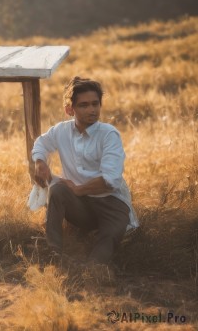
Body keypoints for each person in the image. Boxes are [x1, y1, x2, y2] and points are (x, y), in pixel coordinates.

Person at [32, 76, 139, 264]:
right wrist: (40, 163)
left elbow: (110, 180)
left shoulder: (109, 134)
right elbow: (41, 143)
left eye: (95, 104)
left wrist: (79, 189)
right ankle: (53, 256)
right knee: (57, 190)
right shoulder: (61, 131)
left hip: (112, 205)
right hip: (81, 206)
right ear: (69, 109)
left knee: (101, 255)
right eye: (84, 105)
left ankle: (92, 273)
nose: (92, 110)